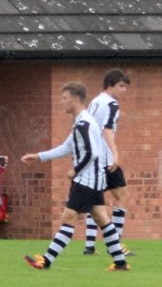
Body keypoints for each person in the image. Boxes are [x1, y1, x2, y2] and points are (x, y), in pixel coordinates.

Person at [22, 82, 129, 271]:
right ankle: (120, 263)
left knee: (68, 217)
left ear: (75, 99)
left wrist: (76, 170)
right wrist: (38, 156)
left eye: (64, 98)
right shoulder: (83, 122)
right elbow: (66, 148)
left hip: (86, 180)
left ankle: (46, 261)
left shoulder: (83, 124)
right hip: (95, 180)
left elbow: (92, 152)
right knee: (102, 218)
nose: (61, 102)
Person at [83, 69, 131, 255]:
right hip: (104, 158)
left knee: (95, 200)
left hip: (92, 158)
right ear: (111, 84)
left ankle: (89, 246)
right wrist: (115, 154)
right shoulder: (112, 104)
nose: (124, 90)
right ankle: (115, 245)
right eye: (121, 86)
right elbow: (107, 130)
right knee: (122, 196)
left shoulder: (95, 101)